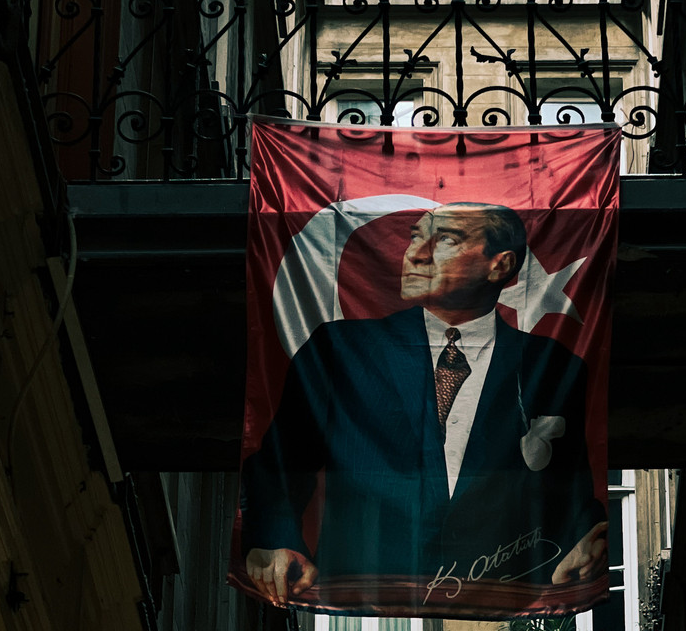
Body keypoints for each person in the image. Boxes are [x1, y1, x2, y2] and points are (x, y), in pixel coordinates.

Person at [240, 202, 608, 607]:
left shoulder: (554, 366)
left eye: (446, 239)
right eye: (416, 236)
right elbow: (281, 464)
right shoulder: (339, 350)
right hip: (362, 589)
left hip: (503, 590)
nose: (415, 253)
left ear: (500, 265)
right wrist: (275, 539)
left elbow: (567, 487)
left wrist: (581, 539)